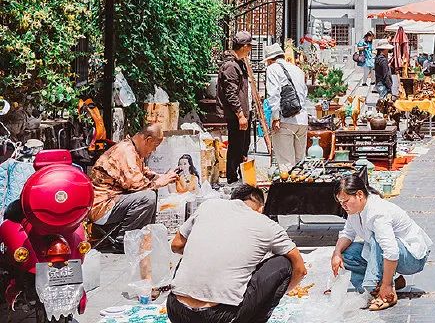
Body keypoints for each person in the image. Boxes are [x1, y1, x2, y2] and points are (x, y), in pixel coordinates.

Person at [167, 185, 306, 323]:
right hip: (219, 316)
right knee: (284, 263)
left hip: (176, 310)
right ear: (261, 208)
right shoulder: (268, 225)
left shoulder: (208, 206)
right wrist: (275, 294)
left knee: (191, 252)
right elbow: (300, 269)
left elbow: (176, 245)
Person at [332, 172, 432, 311]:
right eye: (341, 203)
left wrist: (387, 285)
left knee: (376, 239)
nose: (343, 206)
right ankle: (384, 286)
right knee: (345, 254)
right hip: (387, 252)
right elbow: (348, 233)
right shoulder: (354, 211)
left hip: (412, 257)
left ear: (359, 195)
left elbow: (391, 251)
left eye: (346, 201)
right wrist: (336, 253)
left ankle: (385, 291)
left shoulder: (378, 212)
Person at [89, 123, 178, 251]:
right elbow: (137, 185)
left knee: (150, 194)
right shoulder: (125, 151)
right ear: (148, 140)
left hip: (115, 200)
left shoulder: (133, 149)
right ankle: (124, 240)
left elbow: (142, 173)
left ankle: (141, 236)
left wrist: (163, 177)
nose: (153, 151)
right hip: (102, 206)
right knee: (148, 197)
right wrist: (159, 182)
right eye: (155, 146)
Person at [264, 43, 310, 173]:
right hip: (302, 119)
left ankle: (289, 192)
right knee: (300, 163)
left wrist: (275, 118)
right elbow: (304, 94)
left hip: (285, 120)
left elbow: (273, 94)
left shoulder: (273, 69)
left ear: (270, 59)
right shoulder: (297, 70)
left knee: (286, 164)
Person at [217, 31, 253, 185]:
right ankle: (232, 178)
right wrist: (240, 115)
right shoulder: (231, 66)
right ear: (244, 46)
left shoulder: (239, 63)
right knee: (236, 146)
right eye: (250, 46)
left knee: (243, 145)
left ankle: (239, 175)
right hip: (237, 115)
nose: (251, 49)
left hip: (244, 112)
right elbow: (230, 93)